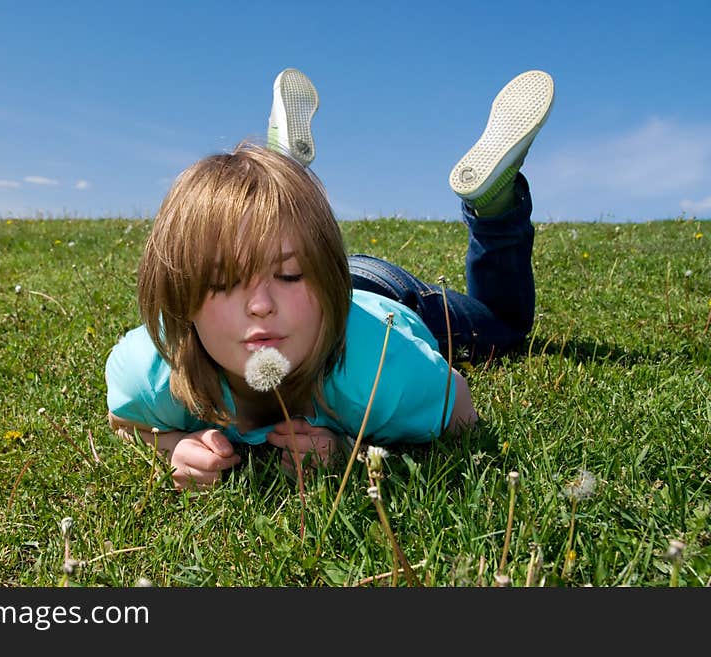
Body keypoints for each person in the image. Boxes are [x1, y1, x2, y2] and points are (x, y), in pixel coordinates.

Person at [106, 67, 554, 491]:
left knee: (504, 324)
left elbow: (459, 410)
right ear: (181, 299)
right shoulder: (155, 368)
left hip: (385, 298)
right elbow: (124, 424)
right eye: (223, 283)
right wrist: (169, 448)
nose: (260, 304)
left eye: (287, 276)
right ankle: (282, 188)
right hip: (312, 267)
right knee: (281, 243)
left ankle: (494, 210)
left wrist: (350, 450)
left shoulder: (377, 372)